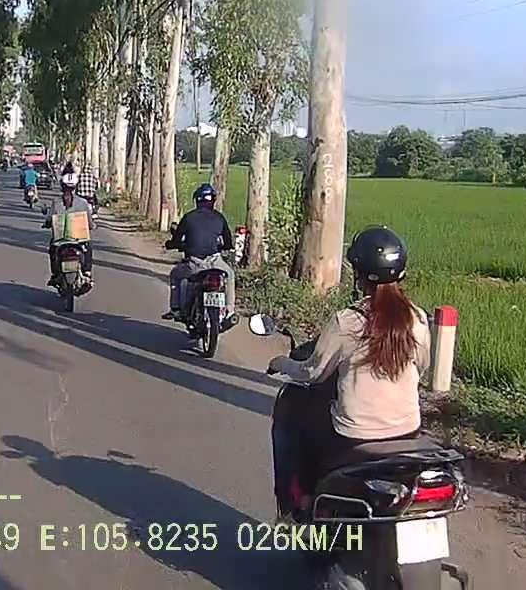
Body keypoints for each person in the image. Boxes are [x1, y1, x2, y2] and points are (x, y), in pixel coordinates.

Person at [267, 226, 431, 516]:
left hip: (355, 436)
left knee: (295, 429)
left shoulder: (348, 322)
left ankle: (302, 502)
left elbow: (313, 373)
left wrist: (281, 363)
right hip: (409, 430)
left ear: (358, 274)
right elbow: (422, 365)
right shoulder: (416, 318)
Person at [163, 183, 235, 321]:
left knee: (175, 275)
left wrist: (173, 245)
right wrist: (222, 247)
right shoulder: (219, 217)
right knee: (230, 274)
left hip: (194, 263)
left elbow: (176, 240)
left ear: (197, 200)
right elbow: (228, 242)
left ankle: (175, 309)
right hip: (215, 262)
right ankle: (230, 311)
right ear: (213, 200)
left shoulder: (188, 217)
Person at [42, 172, 94, 287]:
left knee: (52, 250)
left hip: (60, 240)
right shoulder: (83, 203)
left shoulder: (56, 203)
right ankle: (87, 272)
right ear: (76, 186)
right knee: (88, 247)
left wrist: (47, 223)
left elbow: (49, 219)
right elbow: (89, 222)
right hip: (78, 239)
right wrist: (92, 226)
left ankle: (55, 274)